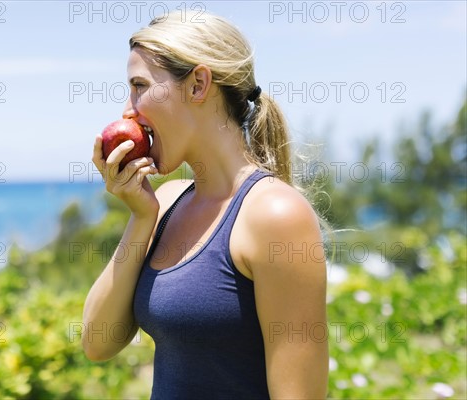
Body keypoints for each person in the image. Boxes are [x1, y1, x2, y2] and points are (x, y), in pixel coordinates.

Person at [83, 10, 328, 399]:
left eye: (139, 86)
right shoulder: (164, 203)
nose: (128, 110)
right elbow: (98, 343)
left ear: (198, 84)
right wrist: (141, 218)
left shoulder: (274, 215)